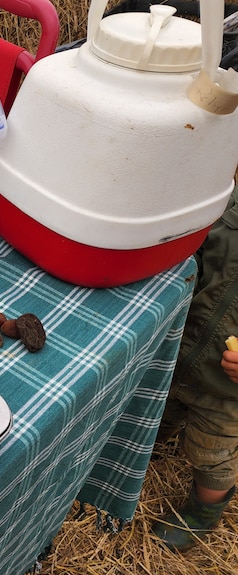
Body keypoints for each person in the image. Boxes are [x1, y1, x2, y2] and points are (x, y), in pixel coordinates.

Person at [151, 185, 238, 551]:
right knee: (158, 410)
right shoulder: (231, 204)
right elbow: (202, 249)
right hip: (181, 349)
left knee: (211, 453)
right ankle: (153, 443)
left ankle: (204, 513)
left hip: (225, 391)